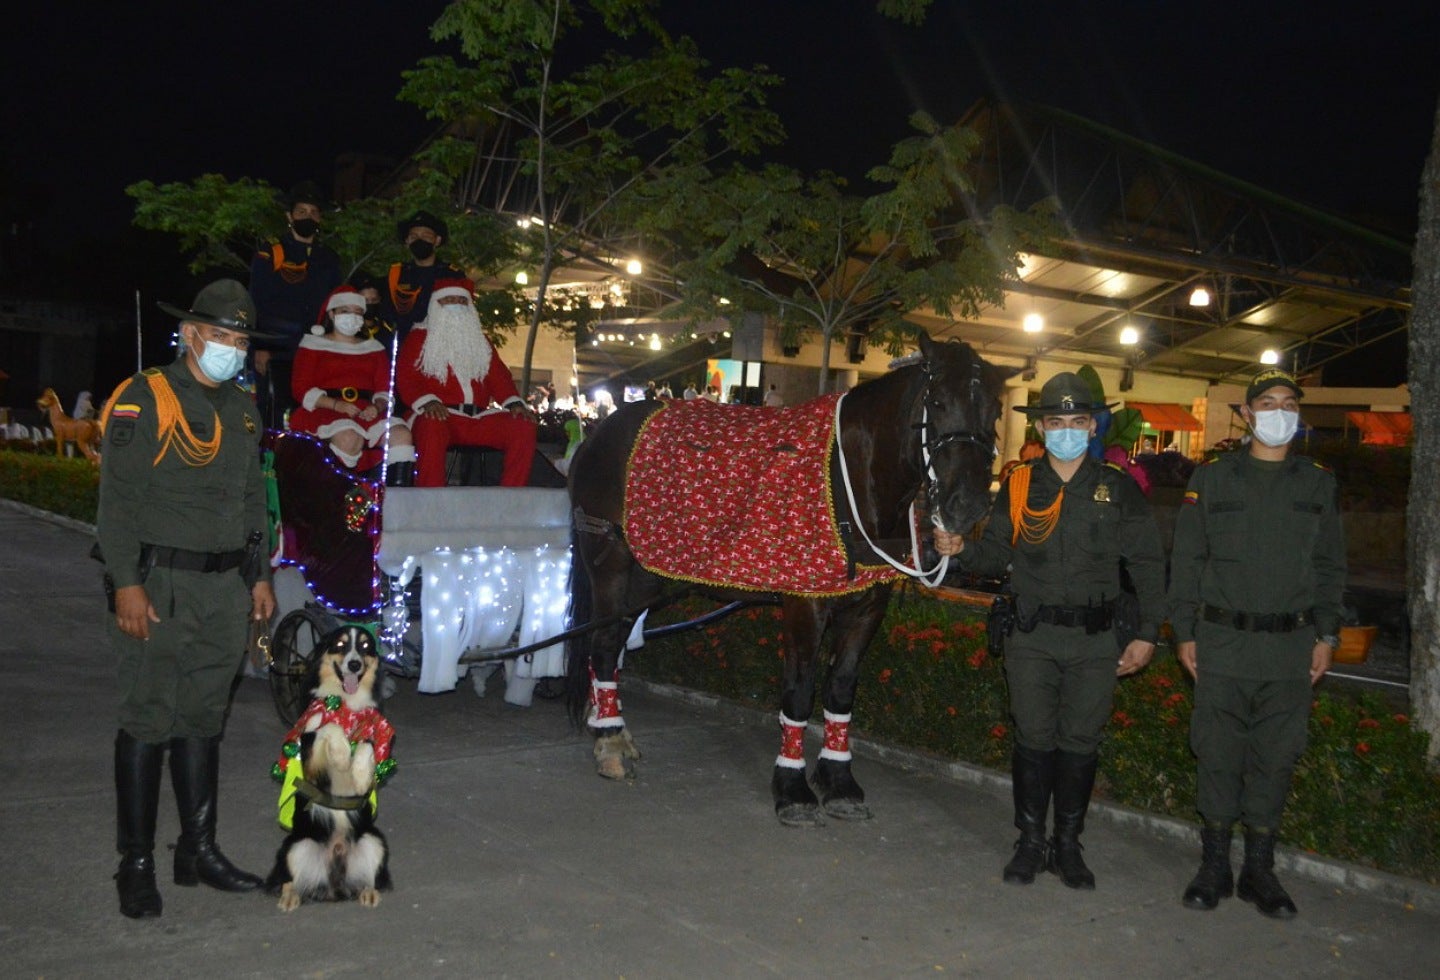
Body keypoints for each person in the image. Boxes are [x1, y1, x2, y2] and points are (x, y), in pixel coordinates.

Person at [933, 372, 1165, 890]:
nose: (1066, 430)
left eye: (1076, 421)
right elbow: (996, 556)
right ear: (1042, 427)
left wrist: (1148, 632)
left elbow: (1148, 564)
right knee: (1033, 738)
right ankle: (1031, 842)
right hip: (1032, 637)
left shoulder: (1117, 488)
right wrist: (960, 550)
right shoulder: (1018, 484)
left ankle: (1068, 845)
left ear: (1092, 425)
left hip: (1094, 640)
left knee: (1081, 741)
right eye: (1055, 422)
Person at [95, 279, 277, 918]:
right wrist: (127, 583)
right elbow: (116, 503)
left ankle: (196, 849)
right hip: (160, 586)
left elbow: (252, 500)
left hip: (224, 589)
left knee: (203, 719)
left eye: (241, 339)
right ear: (192, 334)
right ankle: (135, 864)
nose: (231, 347)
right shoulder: (146, 398)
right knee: (148, 718)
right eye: (222, 335)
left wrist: (258, 575)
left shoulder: (243, 409)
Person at [1166, 368, 1345, 919]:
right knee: (1217, 752)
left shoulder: (1317, 483)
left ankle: (1258, 871)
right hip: (1221, 641)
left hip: (1290, 646)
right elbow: (1188, 560)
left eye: (1288, 403)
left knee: (1276, 756)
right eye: (1266, 403)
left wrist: (1327, 634)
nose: (1278, 412)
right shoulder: (1212, 479)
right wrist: (1184, 631)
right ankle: (1214, 865)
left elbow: (1330, 565)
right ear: (1245, 414)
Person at [396, 277, 537, 487]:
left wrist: (514, 403)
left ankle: (511, 496)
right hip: (440, 416)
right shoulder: (418, 338)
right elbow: (407, 379)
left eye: (462, 301)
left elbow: (499, 378)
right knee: (432, 424)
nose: (456, 306)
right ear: (436, 305)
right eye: (449, 300)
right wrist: (428, 402)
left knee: (523, 425)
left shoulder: (481, 342)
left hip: (478, 417)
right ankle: (431, 498)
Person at [288, 284, 415, 484]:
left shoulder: (374, 348)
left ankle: (394, 503)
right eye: (345, 311)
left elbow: (384, 389)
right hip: (325, 410)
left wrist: (377, 406)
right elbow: (300, 388)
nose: (352, 316)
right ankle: (341, 500)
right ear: (331, 313)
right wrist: (337, 405)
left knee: (401, 435)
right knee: (349, 436)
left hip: (365, 411)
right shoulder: (312, 345)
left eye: (358, 312)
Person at [248, 181, 343, 429]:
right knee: (271, 413)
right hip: (275, 346)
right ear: (290, 216)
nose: (308, 217)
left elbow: (335, 304)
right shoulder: (272, 251)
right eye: (302, 212)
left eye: (313, 213)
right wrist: (260, 346)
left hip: (315, 349)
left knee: (310, 413)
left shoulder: (329, 258)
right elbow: (256, 300)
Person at [382, 210, 467, 339]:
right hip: (407, 344)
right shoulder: (396, 274)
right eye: (414, 236)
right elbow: (387, 314)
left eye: (426, 236)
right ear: (407, 241)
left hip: (443, 343)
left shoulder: (452, 275)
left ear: (437, 240)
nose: (419, 240)